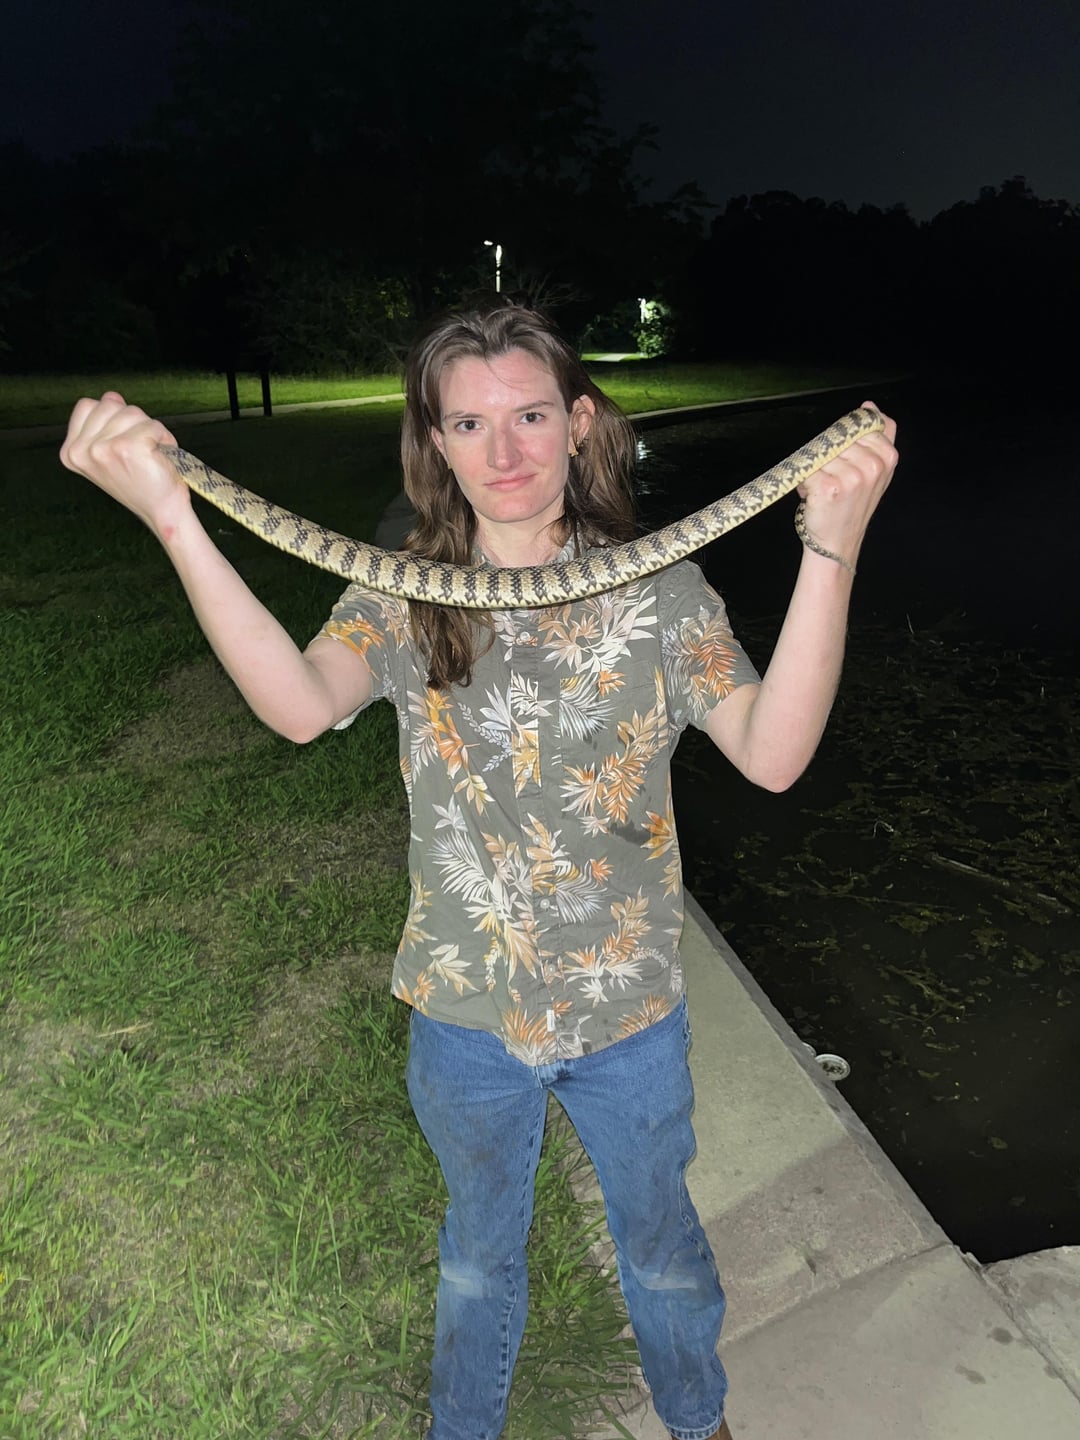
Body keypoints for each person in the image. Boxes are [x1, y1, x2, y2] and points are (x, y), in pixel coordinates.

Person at [61, 298, 898, 1440]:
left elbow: (774, 752)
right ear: (437, 443)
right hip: (463, 1012)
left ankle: (697, 1421)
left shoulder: (658, 588)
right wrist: (175, 519)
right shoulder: (404, 591)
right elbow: (299, 707)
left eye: (530, 416)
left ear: (580, 423)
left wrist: (831, 549)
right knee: (476, 1258)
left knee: (659, 1247)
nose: (503, 453)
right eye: (468, 424)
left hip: (626, 1014)